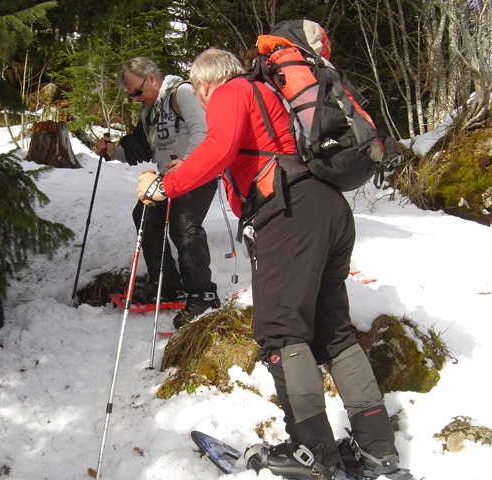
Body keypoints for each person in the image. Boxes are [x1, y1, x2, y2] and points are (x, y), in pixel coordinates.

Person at [136, 47, 414, 480]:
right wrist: (188, 166)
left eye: (199, 95)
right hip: (327, 210)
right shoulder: (268, 92)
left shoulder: (231, 91)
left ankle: (312, 451)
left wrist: (163, 186)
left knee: (281, 332)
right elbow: (234, 154)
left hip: (290, 212)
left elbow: (218, 149)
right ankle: (378, 450)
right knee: (333, 332)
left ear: (203, 85)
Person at [97, 57, 219, 328]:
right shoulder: (149, 112)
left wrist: (188, 162)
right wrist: (112, 151)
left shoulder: (183, 93)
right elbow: (141, 149)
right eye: (132, 95)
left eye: (138, 91)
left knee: (183, 223)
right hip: (170, 176)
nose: (136, 98)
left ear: (152, 78)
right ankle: (166, 285)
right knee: (144, 215)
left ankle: (203, 293)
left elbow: (203, 130)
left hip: (199, 171)